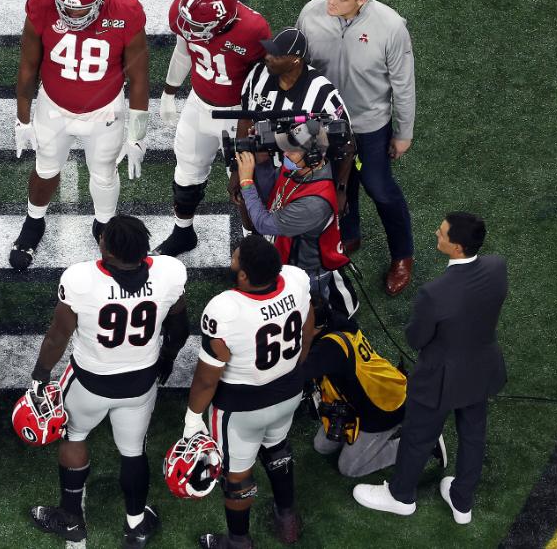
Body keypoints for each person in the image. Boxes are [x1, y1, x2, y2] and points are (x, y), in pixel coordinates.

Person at [27, 215, 188, 548]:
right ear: (145, 248)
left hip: (90, 381)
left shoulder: (80, 279)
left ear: (107, 249)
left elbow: (59, 336)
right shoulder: (169, 273)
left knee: (74, 435)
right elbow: (180, 328)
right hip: (141, 382)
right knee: (133, 451)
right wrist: (167, 358)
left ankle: (71, 517)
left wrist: (40, 376)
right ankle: (136, 524)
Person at [353, 212, 507, 525]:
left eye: (443, 233)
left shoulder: (434, 293)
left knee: (418, 436)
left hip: (439, 377)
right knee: (473, 433)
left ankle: (401, 496)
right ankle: (462, 502)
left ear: (458, 248)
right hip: (481, 368)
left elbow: (416, 338)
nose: (437, 233)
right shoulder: (497, 267)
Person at [9, 0, 149, 270]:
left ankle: (104, 227)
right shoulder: (43, 2)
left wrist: (137, 136)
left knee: (103, 173)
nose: (72, 14)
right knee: (45, 168)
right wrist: (22, 117)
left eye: (81, 8)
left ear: (100, 1)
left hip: (104, 113)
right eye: (66, 6)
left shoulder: (125, 11)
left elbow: (139, 77)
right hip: (53, 107)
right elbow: (29, 65)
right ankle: (34, 222)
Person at [185, 234, 315, 548]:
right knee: (277, 447)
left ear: (243, 275)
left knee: (236, 475)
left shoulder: (224, 309)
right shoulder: (296, 281)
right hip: (288, 391)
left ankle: (238, 542)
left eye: (236, 256)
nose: (233, 255)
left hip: (241, 408)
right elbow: (309, 328)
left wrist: (192, 418)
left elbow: (206, 379)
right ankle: (287, 518)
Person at [296, 0, 416, 296]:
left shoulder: (391, 27)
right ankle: (349, 236)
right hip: (324, 124)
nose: (330, 1)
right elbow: (298, 68)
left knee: (379, 188)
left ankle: (402, 256)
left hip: (369, 126)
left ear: (362, 0)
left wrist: (403, 132)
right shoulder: (311, 13)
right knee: (337, 185)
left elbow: (403, 85)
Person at [232, 28, 359, 323]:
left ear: (295, 60)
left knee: (294, 237)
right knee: (256, 223)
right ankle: (259, 273)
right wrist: (237, 170)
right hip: (270, 168)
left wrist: (340, 187)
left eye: (276, 54)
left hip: (300, 175)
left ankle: (322, 303)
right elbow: (246, 116)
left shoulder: (322, 93)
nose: (267, 57)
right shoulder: (258, 76)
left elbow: (348, 143)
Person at [152, 0, 271, 256]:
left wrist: (250, 124)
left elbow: (263, 83)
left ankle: (252, 249)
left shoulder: (254, 29)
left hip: (236, 116)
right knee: (186, 173)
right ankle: (183, 232)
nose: (189, 29)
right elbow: (183, 52)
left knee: (244, 184)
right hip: (198, 102)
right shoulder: (187, 12)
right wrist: (169, 91)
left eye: (197, 27)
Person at [301, 315, 432, 478]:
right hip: (360, 399)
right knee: (322, 446)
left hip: (383, 409)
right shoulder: (335, 324)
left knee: (349, 468)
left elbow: (295, 376)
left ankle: (418, 443)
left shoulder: (328, 349)